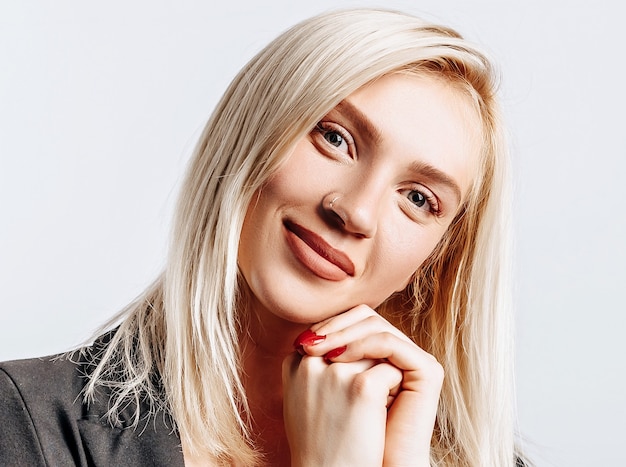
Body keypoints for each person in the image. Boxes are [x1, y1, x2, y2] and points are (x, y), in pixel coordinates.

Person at [0, 8, 526, 466]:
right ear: (250, 133)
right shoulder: (28, 426)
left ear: (438, 260)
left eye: (417, 198)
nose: (355, 211)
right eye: (335, 138)